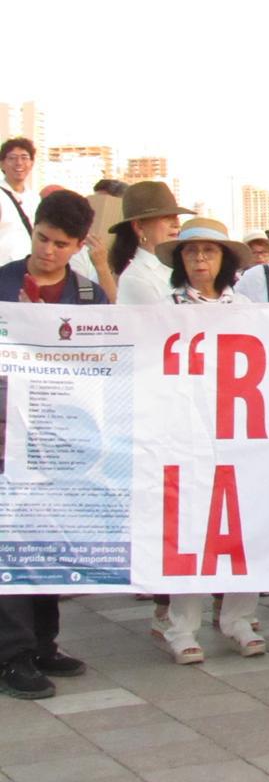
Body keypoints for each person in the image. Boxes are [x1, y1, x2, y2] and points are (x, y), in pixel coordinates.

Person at [0, 191, 107, 699]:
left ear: (78, 245)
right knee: (9, 545)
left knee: (46, 543)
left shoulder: (88, 297)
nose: (47, 251)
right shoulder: (1, 281)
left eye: (60, 244)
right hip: (5, 439)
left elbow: (107, 367)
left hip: (59, 440)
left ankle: (44, 642)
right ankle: (13, 655)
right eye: (41, 239)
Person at [152, 219, 264, 663]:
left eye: (209, 251)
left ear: (224, 260)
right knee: (190, 528)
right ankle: (182, 626)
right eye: (191, 251)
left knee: (244, 525)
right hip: (185, 430)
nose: (199, 259)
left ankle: (239, 616)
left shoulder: (248, 307)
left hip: (240, 427)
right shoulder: (163, 308)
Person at [110, 182, 192, 304]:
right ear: (139, 227)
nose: (176, 224)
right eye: (166, 217)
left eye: (176, 217)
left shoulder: (178, 266)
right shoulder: (136, 277)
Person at [0, 137, 39, 266]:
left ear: (32, 163)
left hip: (28, 269)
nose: (19, 162)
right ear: (2, 164)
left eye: (24, 157)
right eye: (12, 158)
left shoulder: (35, 198)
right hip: (4, 271)